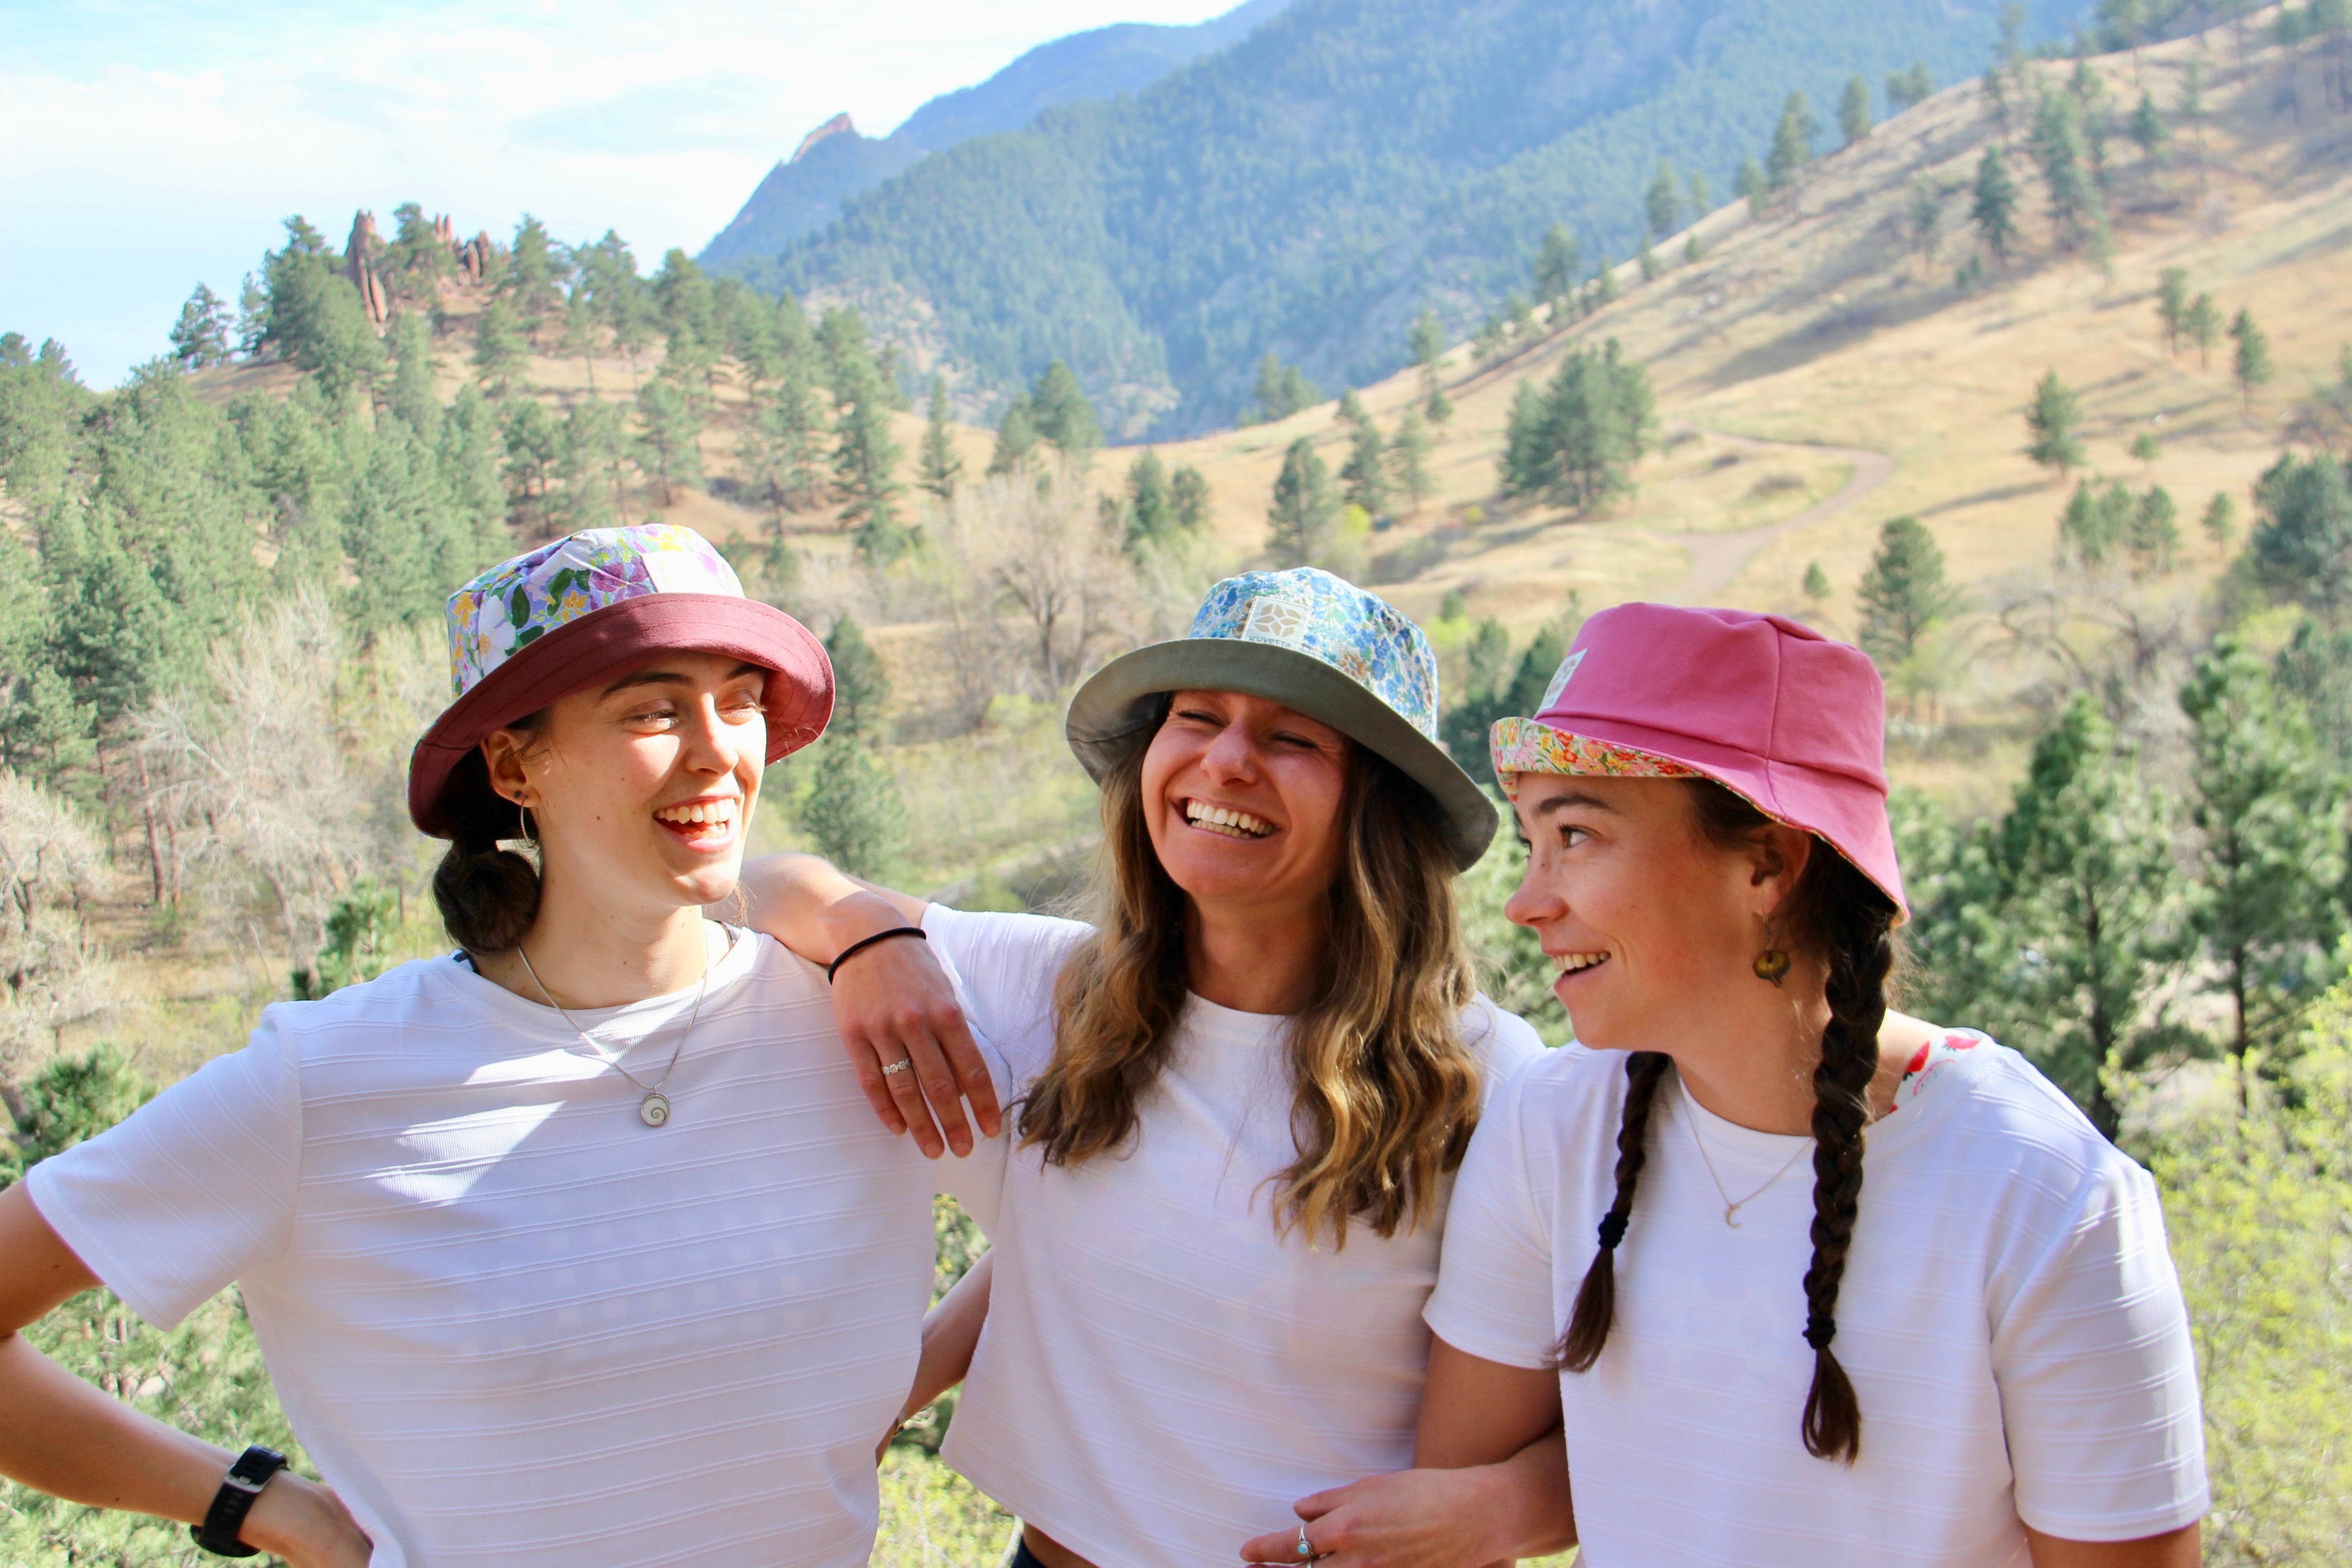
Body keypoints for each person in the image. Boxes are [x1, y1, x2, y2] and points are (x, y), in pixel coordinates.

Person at [0, 525, 993, 1567]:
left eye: (739, 700)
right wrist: (264, 1505)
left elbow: (1081, 1196)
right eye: (653, 711)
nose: (717, 750)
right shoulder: (328, 1081)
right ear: (517, 765)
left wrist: (892, 1386)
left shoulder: (870, 1013)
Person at [1244, 603, 2208, 1568]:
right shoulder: (1552, 1125)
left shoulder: (2048, 1199)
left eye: (1576, 835)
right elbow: (1460, 1505)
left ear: (1768, 864)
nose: (1528, 904)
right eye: (1533, 846)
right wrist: (1499, 1510)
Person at [742, 568, 1548, 1568]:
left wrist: (1502, 1514)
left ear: (1379, 810)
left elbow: (1624, 1403)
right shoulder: (1054, 991)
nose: (1227, 760)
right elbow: (745, 890)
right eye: (1197, 717)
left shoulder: (1486, 1079)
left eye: (1294, 738)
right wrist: (867, 933)